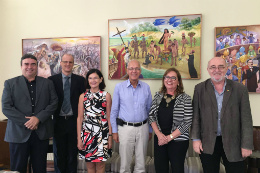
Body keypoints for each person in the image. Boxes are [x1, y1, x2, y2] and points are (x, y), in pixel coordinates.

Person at [190, 57, 253, 173]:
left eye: (221, 67)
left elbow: (246, 119)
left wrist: (247, 144)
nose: (216, 70)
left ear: (226, 69)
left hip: (234, 143)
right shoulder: (199, 88)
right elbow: (196, 116)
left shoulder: (240, 89)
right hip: (207, 143)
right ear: (208, 70)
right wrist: (196, 139)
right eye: (213, 67)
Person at [2, 54, 58, 173]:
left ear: (37, 66)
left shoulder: (47, 83)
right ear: (21, 66)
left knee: (40, 168)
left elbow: (54, 103)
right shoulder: (10, 83)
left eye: (33, 64)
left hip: (41, 133)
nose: (30, 67)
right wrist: (28, 121)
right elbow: (6, 107)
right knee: (18, 169)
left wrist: (38, 118)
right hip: (18, 133)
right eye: (26, 64)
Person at [110, 60, 152, 173]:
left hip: (143, 128)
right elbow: (114, 111)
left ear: (140, 71)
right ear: (127, 70)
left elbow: (149, 111)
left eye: (137, 68)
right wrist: (114, 131)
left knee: (141, 164)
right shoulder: (119, 87)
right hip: (125, 129)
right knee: (125, 165)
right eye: (131, 68)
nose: (134, 71)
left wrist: (150, 130)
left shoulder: (146, 87)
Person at [148, 68, 193, 173]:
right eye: (167, 77)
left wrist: (169, 137)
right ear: (164, 80)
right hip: (160, 139)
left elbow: (187, 122)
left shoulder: (185, 98)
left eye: (173, 78)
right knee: (160, 168)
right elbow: (151, 116)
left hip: (179, 141)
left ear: (178, 82)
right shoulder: (158, 96)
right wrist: (159, 135)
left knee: (177, 169)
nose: (170, 80)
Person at [48, 54, 86, 173]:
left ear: (73, 64)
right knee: (59, 154)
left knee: (72, 155)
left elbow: (84, 101)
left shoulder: (80, 80)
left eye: (70, 62)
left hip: (74, 122)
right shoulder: (51, 80)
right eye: (65, 62)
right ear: (61, 63)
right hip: (58, 122)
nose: (67, 64)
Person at [77, 69, 112, 173]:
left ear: (101, 79)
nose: (93, 80)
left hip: (103, 133)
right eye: (90, 78)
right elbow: (79, 118)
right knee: (90, 166)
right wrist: (79, 138)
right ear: (87, 80)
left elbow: (110, 117)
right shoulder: (82, 96)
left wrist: (110, 137)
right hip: (87, 133)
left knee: (101, 165)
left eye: (95, 78)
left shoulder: (106, 96)